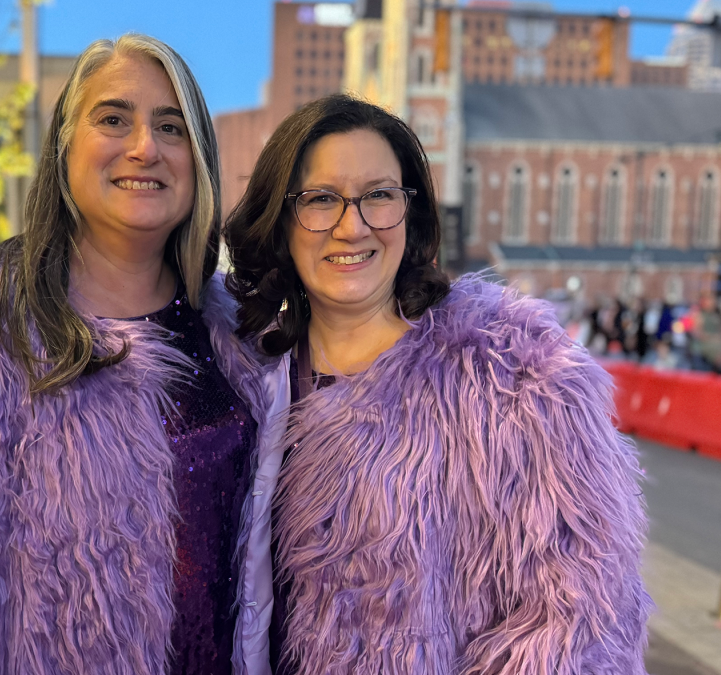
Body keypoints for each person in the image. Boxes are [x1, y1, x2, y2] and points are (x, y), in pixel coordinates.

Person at [0, 35, 290, 675]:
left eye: (172, 126)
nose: (145, 147)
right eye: (112, 119)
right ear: (62, 147)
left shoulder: (239, 334)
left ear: (200, 159)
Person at [224, 95, 652, 674]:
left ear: (411, 213)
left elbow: (582, 623)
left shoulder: (514, 382)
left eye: (379, 195)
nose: (352, 226)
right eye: (321, 199)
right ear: (280, 219)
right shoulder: (240, 377)